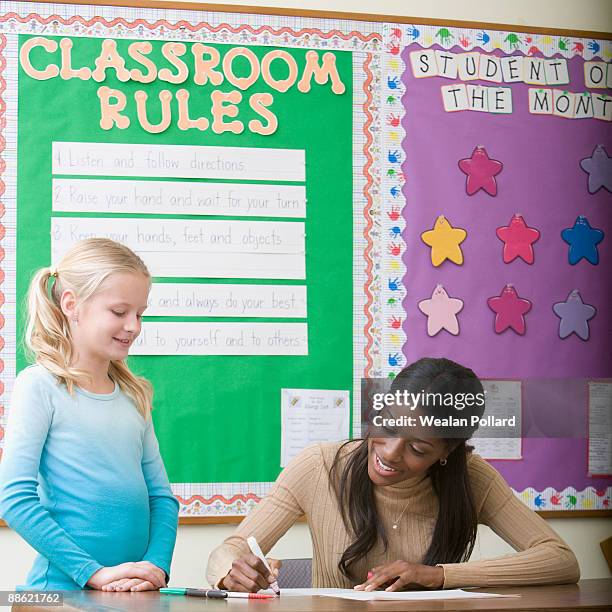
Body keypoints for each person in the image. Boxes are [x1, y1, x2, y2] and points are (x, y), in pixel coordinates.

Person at [206, 357, 580, 592]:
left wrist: (439, 575)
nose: (388, 452)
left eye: (418, 449)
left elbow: (561, 560)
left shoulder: (473, 479)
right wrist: (231, 572)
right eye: (385, 425)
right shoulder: (319, 464)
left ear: (448, 453)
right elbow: (230, 550)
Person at [0, 238, 179, 591]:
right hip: (58, 594)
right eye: (119, 312)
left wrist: (155, 568)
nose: (134, 326)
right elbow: (13, 497)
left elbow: (162, 499)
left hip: (129, 595)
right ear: (72, 305)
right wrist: (93, 574)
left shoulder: (133, 395)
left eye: (140, 313)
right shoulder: (39, 386)